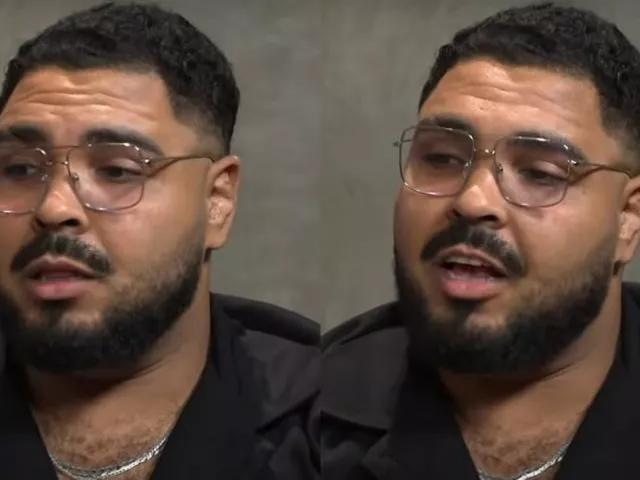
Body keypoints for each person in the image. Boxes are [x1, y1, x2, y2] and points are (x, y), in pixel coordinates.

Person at [320, 3, 640, 479]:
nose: (472, 201)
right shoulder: (295, 423)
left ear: (628, 218)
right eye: (442, 158)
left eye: (539, 173)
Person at [0, 2, 319, 479]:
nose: (53, 208)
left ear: (217, 201)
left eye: (117, 171)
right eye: (21, 169)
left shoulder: (325, 425)